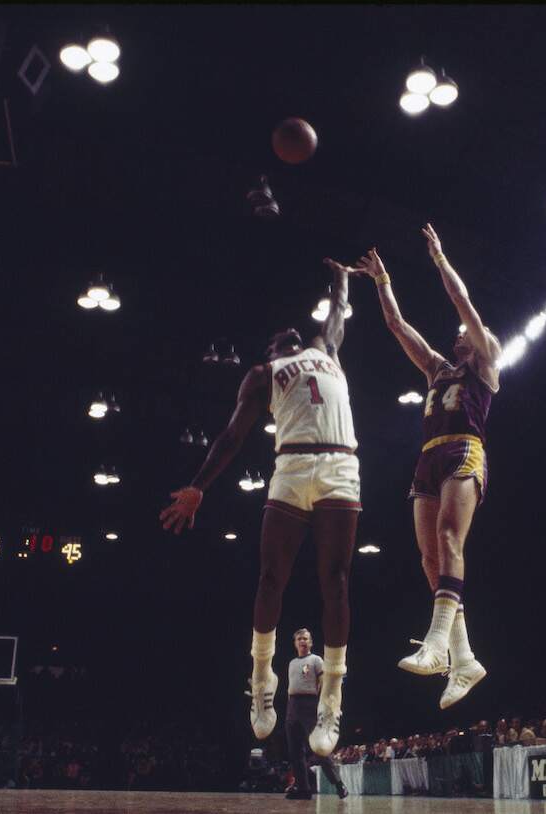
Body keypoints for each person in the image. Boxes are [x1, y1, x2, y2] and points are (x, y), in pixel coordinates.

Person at [160, 261, 359, 758]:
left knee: (335, 580)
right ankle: (261, 674)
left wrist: (341, 279)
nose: (285, 335)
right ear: (271, 350)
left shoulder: (326, 349)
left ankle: (332, 695)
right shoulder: (262, 374)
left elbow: (337, 317)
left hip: (339, 465)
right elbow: (231, 436)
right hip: (291, 467)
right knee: (272, 578)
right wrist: (198, 487)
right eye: (277, 339)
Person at [347, 224, 500, 710]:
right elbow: (397, 327)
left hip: (463, 449)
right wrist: (383, 282)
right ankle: (464, 656)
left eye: (466, 333)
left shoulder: (486, 364)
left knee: (451, 542)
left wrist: (438, 257)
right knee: (428, 559)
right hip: (428, 456)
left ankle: (437, 643)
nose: (458, 333)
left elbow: (463, 304)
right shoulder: (437, 369)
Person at [283, 629, 347, 800]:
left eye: (305, 638)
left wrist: (322, 705)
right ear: (295, 643)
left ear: (310, 642)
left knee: (319, 748)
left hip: (309, 704)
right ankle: (303, 789)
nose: (302, 641)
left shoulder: (316, 660)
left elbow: (324, 683)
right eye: (299, 639)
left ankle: (339, 784)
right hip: (292, 706)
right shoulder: (291, 663)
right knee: (295, 751)